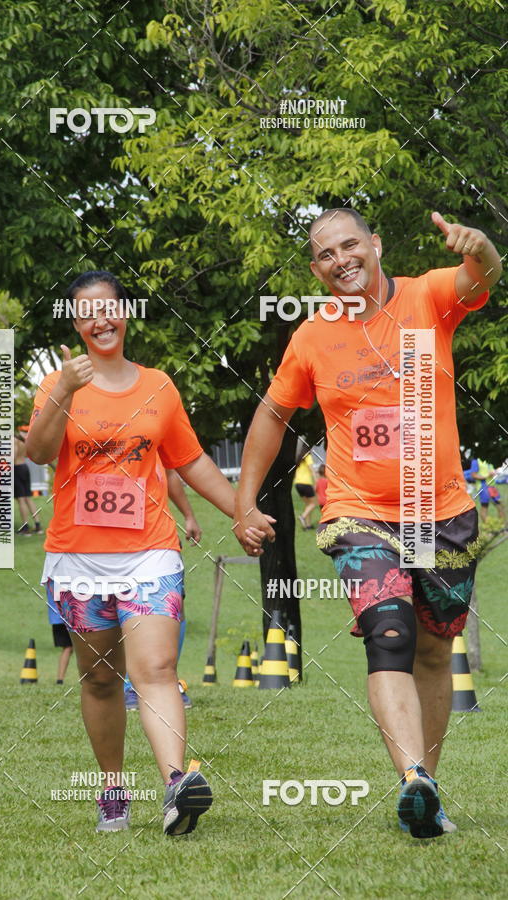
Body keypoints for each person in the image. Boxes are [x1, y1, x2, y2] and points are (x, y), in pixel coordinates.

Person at [234, 208, 502, 838]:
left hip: (439, 513)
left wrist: (481, 244)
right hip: (358, 511)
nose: (341, 260)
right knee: (390, 633)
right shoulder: (312, 337)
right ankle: (412, 777)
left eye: (349, 245)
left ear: (375, 244)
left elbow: (484, 275)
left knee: (436, 650)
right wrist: (247, 501)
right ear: (316, 269)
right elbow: (272, 415)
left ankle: (426, 789)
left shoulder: (427, 296)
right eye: (326, 254)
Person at [26, 270, 261, 835]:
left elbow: (193, 461)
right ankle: (113, 790)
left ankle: (177, 785)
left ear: (125, 313)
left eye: (109, 308)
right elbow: (36, 451)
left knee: (154, 669)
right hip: (78, 559)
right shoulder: (58, 385)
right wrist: (61, 390)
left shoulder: (159, 386)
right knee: (100, 679)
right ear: (76, 323)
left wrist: (241, 510)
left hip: (150, 554)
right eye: (87, 312)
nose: (101, 319)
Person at [124, 467, 201, 710]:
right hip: (109, 539)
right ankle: (129, 686)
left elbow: (169, 473)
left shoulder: (155, 433)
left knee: (173, 606)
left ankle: (165, 679)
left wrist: (188, 515)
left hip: (158, 537)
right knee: (123, 610)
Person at [13, 429, 43, 535]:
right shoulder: (24, 438)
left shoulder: (14, 440)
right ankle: (38, 525)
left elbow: (13, 457)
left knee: (21, 499)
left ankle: (25, 526)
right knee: (28, 498)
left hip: (17, 469)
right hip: (25, 467)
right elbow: (26, 454)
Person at [466, 458, 506, 526]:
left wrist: (495, 471)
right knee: (485, 507)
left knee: (500, 506)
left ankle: (502, 527)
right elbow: (473, 475)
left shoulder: (488, 456)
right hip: (483, 487)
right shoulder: (476, 461)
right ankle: (489, 527)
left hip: (492, 486)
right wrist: (487, 475)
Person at [47, 582, 73, 684]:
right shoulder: (65, 579)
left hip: (56, 618)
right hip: (67, 617)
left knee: (68, 648)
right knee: (69, 648)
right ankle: (60, 679)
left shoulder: (49, 580)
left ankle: (60, 679)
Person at [293, 450, 317, 529]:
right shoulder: (308, 456)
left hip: (298, 484)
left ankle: (308, 525)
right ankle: (303, 517)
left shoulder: (299, 460)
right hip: (306, 483)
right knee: (313, 504)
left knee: (308, 504)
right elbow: (312, 470)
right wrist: (317, 482)